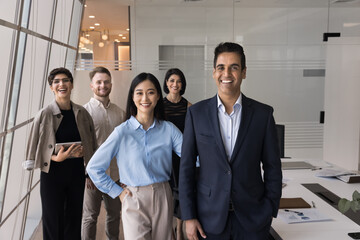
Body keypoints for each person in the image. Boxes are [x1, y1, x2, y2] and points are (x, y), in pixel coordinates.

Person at [179, 42, 282, 240]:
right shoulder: (196, 114)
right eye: (221, 67)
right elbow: (186, 169)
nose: (226, 73)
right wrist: (189, 216)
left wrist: (270, 209)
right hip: (208, 219)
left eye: (234, 67)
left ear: (243, 72)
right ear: (213, 72)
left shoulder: (263, 115)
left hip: (253, 219)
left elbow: (273, 168)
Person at [86, 72, 183, 240]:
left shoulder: (169, 129)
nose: (145, 98)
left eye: (151, 92)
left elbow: (192, 158)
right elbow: (94, 168)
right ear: (132, 96)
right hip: (133, 197)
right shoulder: (122, 132)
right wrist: (118, 192)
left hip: (163, 195)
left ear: (158, 96)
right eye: (139, 93)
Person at [23, 67, 97, 239]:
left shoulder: (82, 113)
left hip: (76, 175)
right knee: (52, 222)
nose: (61, 84)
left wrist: (86, 154)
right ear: (51, 87)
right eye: (56, 82)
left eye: (65, 80)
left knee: (73, 220)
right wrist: (55, 157)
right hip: (52, 176)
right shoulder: (44, 114)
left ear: (71, 85)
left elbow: (92, 142)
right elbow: (32, 150)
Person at [82, 67, 126, 240]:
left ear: (111, 85)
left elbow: (124, 146)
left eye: (106, 82)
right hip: (93, 176)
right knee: (90, 217)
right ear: (92, 86)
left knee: (115, 215)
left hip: (115, 174)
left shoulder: (120, 112)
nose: (103, 85)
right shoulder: (84, 113)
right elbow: (83, 146)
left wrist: (124, 174)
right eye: (99, 82)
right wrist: (87, 173)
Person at [162, 68, 191, 240]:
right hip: (165, 156)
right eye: (172, 80)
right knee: (167, 192)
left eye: (178, 81)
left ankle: (179, 229)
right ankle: (169, 229)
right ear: (166, 83)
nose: (175, 84)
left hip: (182, 156)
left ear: (182, 85)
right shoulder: (160, 106)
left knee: (182, 191)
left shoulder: (189, 106)